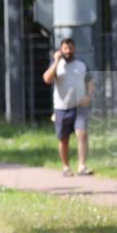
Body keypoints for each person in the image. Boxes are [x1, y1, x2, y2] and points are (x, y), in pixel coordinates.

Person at [43, 37, 94, 176]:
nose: (68, 51)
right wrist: (56, 61)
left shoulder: (81, 65)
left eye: (70, 48)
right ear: (61, 49)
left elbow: (90, 81)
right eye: (65, 48)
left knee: (82, 134)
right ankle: (66, 167)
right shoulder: (56, 66)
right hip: (62, 108)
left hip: (79, 107)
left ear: (74, 48)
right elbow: (47, 79)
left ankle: (82, 166)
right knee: (63, 139)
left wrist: (88, 96)